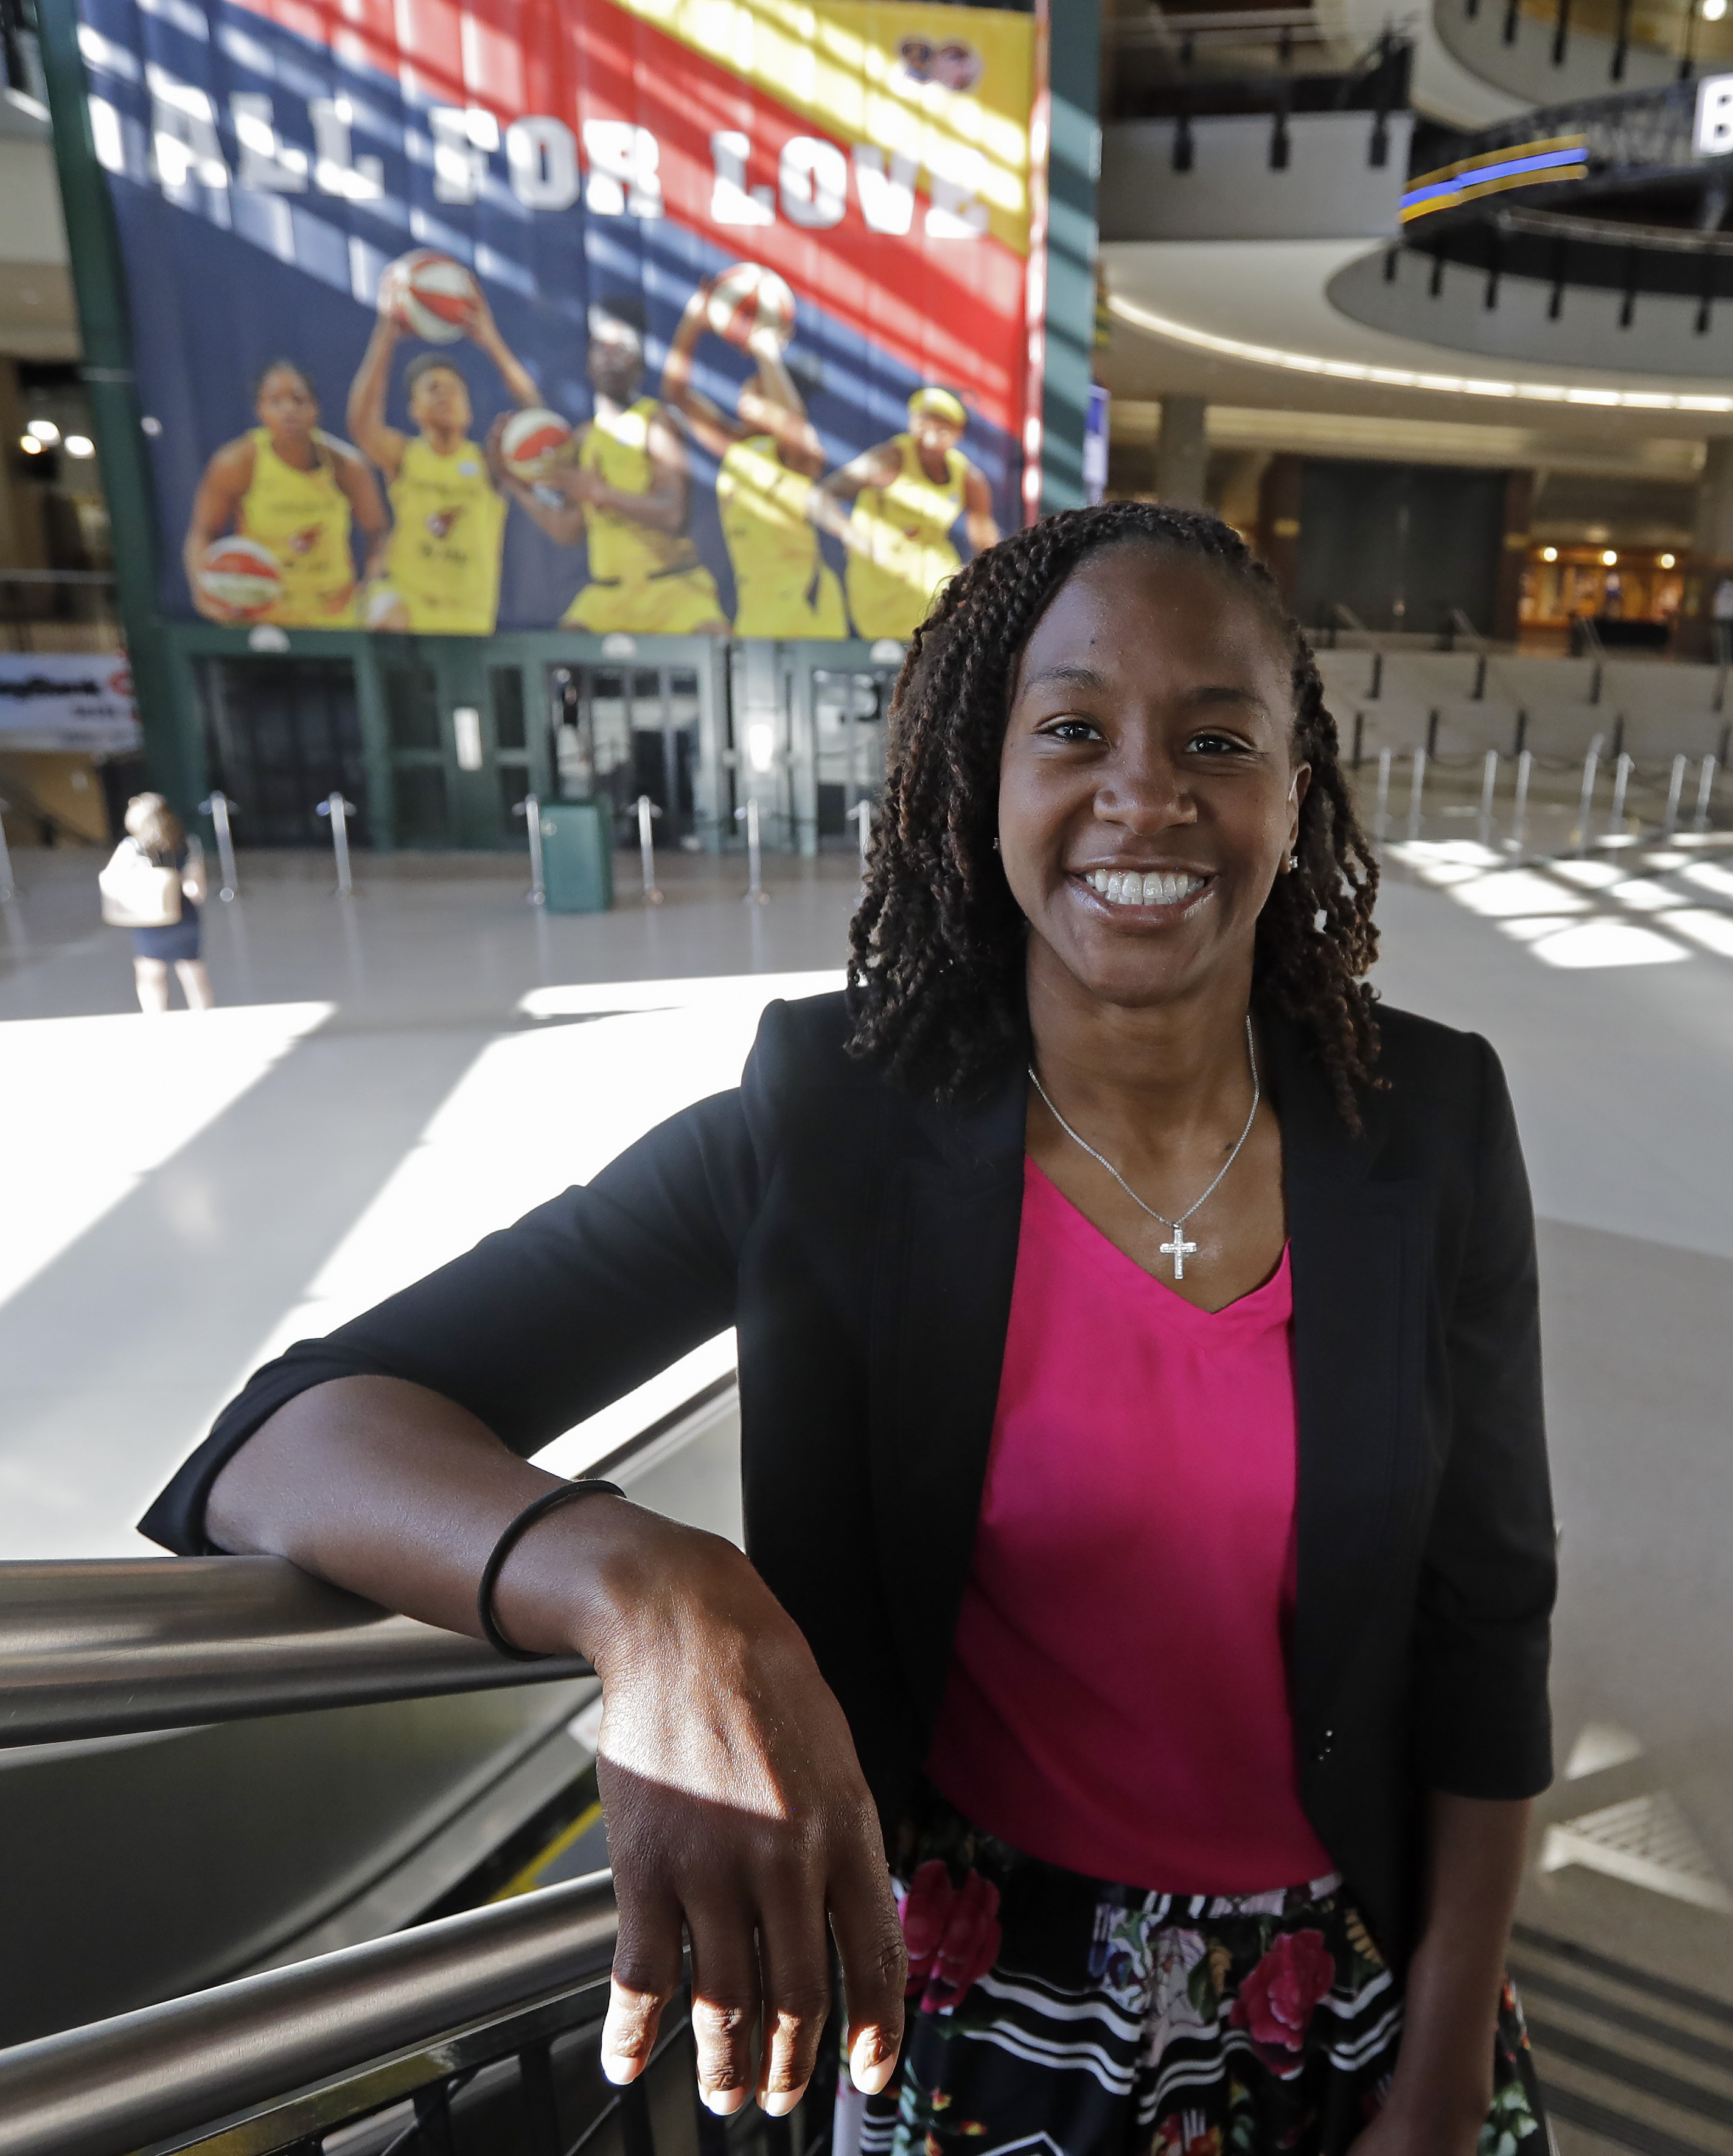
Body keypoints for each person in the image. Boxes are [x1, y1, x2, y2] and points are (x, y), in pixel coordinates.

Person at [141, 501, 1556, 2156]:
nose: (1145, 793)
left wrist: (1443, 2066)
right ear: (981, 779)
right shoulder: (830, 1125)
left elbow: (1488, 1618)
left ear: (1294, 789)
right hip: (978, 1994)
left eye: (1216, 738)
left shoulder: (1428, 1123)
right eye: (1074, 730)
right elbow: (286, 1434)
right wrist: (645, 1587)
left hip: (1354, 1989)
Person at [348, 277, 548, 633]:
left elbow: (536, 417)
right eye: (433, 389)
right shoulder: (405, 455)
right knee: (386, 616)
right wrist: (385, 338)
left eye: (454, 390)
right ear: (414, 410)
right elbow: (363, 426)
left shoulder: (488, 463)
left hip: (468, 617)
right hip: (407, 605)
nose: (445, 396)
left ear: (469, 410)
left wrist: (491, 341)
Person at [520, 297, 728, 637]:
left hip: (671, 589)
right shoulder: (582, 438)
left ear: (641, 362)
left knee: (719, 648)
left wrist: (602, 493)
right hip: (608, 594)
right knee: (559, 659)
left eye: (622, 350)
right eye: (601, 348)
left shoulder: (656, 423)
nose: (610, 358)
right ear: (588, 360)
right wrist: (515, 483)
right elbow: (569, 531)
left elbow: (673, 515)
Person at [663, 263, 846, 638]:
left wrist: (767, 351)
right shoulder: (738, 444)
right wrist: (692, 323)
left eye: (759, 384)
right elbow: (677, 394)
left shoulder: (800, 452)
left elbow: (793, 423)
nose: (747, 387)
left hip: (805, 606)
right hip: (755, 606)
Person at [183, 361, 386, 626]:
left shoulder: (347, 466)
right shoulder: (237, 463)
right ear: (260, 411)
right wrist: (203, 588)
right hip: (262, 614)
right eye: (275, 402)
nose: (289, 410)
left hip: (332, 613)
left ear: (315, 408)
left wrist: (369, 585)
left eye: (299, 400)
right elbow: (204, 532)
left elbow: (378, 531)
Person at [819, 386, 998, 643]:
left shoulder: (970, 479)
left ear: (959, 432)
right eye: (923, 423)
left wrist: (976, 585)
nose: (931, 435)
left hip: (932, 587)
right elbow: (820, 496)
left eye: (942, 427)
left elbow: (987, 548)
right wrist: (851, 535)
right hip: (879, 587)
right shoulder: (889, 459)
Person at [110, 793, 211, 1013]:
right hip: (183, 913)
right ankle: (202, 1015)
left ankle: (155, 1019)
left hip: (148, 916)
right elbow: (197, 890)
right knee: (192, 970)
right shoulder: (188, 843)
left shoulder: (132, 847)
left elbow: (113, 878)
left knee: (150, 972)